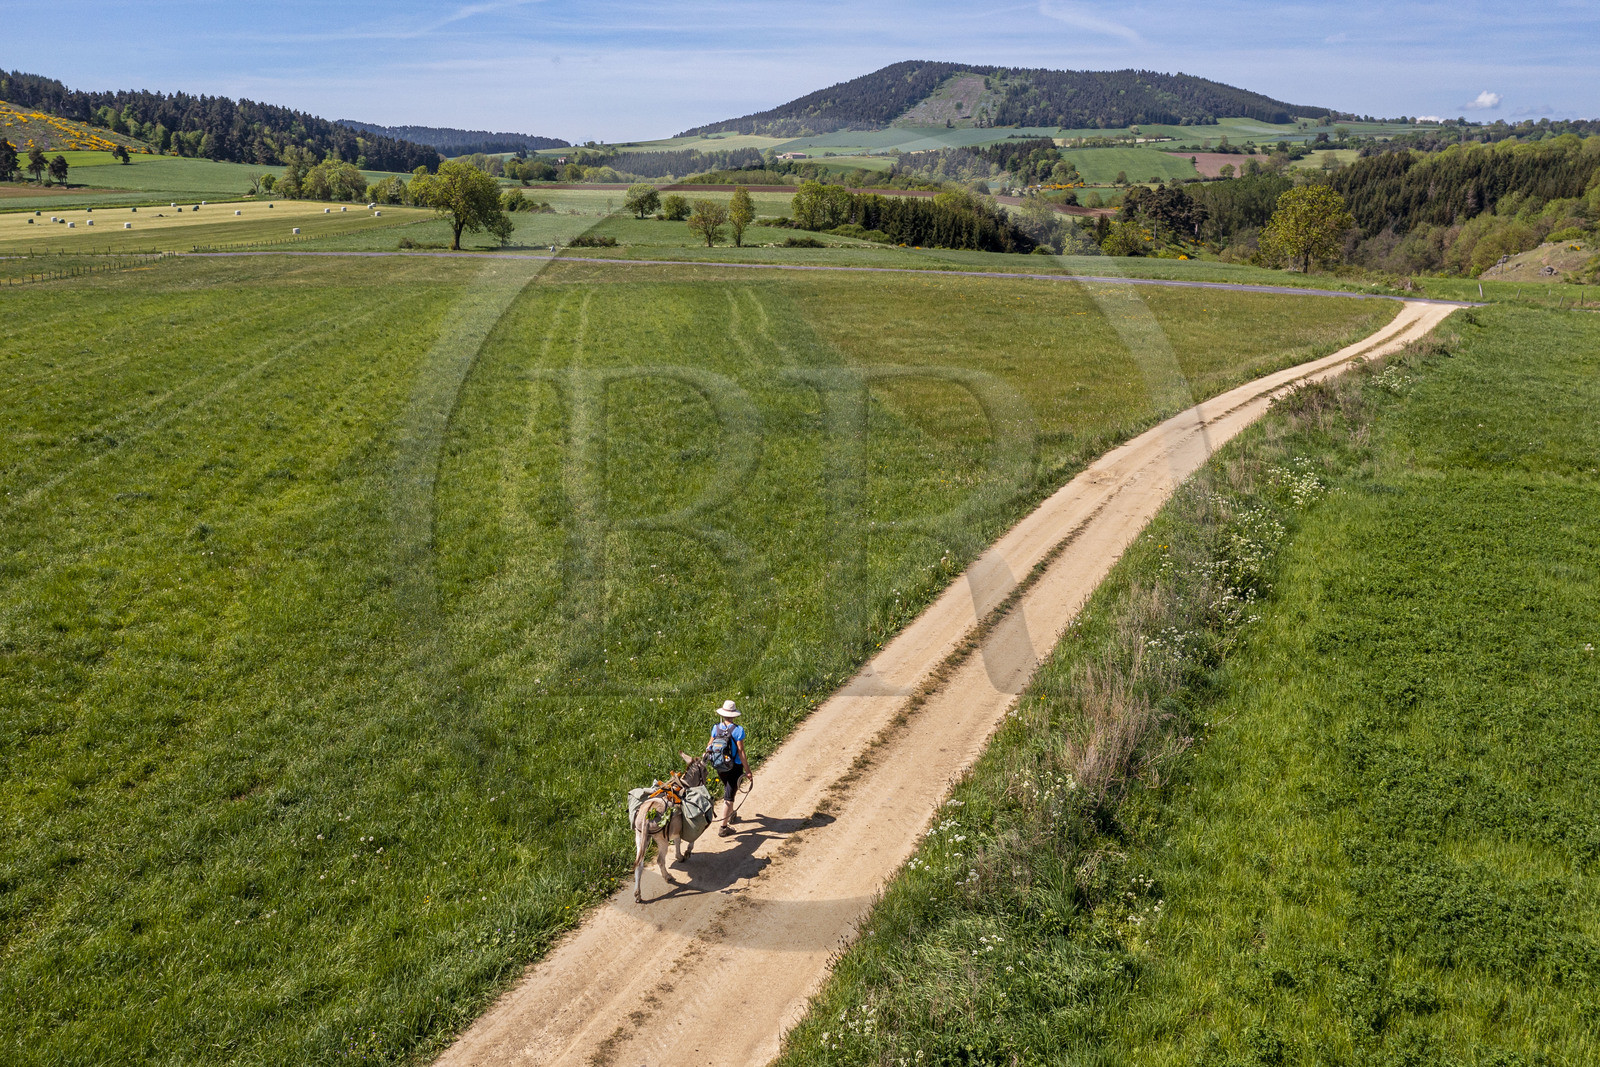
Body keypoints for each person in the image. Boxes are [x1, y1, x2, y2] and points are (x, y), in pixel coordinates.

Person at [705, 700, 747, 836]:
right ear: (734, 715)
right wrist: (748, 770)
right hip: (735, 766)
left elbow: (709, 746)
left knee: (729, 789)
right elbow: (741, 751)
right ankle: (723, 828)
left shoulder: (716, 728)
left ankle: (731, 815)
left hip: (719, 765)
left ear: (723, 714)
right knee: (728, 796)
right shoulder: (738, 730)